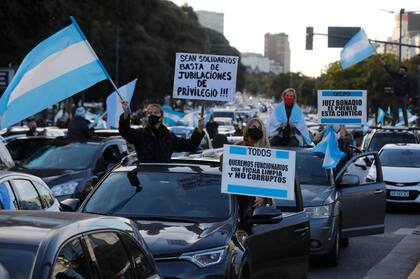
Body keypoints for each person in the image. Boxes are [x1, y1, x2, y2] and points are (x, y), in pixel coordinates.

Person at [220, 117, 271, 231]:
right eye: (253, 127)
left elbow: (271, 179)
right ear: (247, 129)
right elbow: (224, 163)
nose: (256, 129)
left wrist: (264, 196)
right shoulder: (238, 146)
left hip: (255, 204)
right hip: (236, 199)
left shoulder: (267, 152)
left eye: (259, 128)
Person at [119, 102, 205, 162]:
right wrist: (126, 113)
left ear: (161, 117)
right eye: (149, 113)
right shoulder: (140, 134)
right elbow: (125, 132)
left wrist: (199, 130)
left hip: (164, 178)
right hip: (144, 177)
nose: (152, 114)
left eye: (155, 113)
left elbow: (189, 145)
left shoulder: (169, 137)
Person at [380, 58, 410, 126]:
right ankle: (393, 124)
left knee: (404, 110)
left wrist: (408, 96)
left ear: (405, 71)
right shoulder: (396, 76)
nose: (400, 71)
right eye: (400, 70)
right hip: (396, 96)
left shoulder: (408, 78)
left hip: (403, 96)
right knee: (395, 110)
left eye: (402, 70)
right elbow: (389, 71)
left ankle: (406, 124)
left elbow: (409, 88)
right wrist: (385, 65)